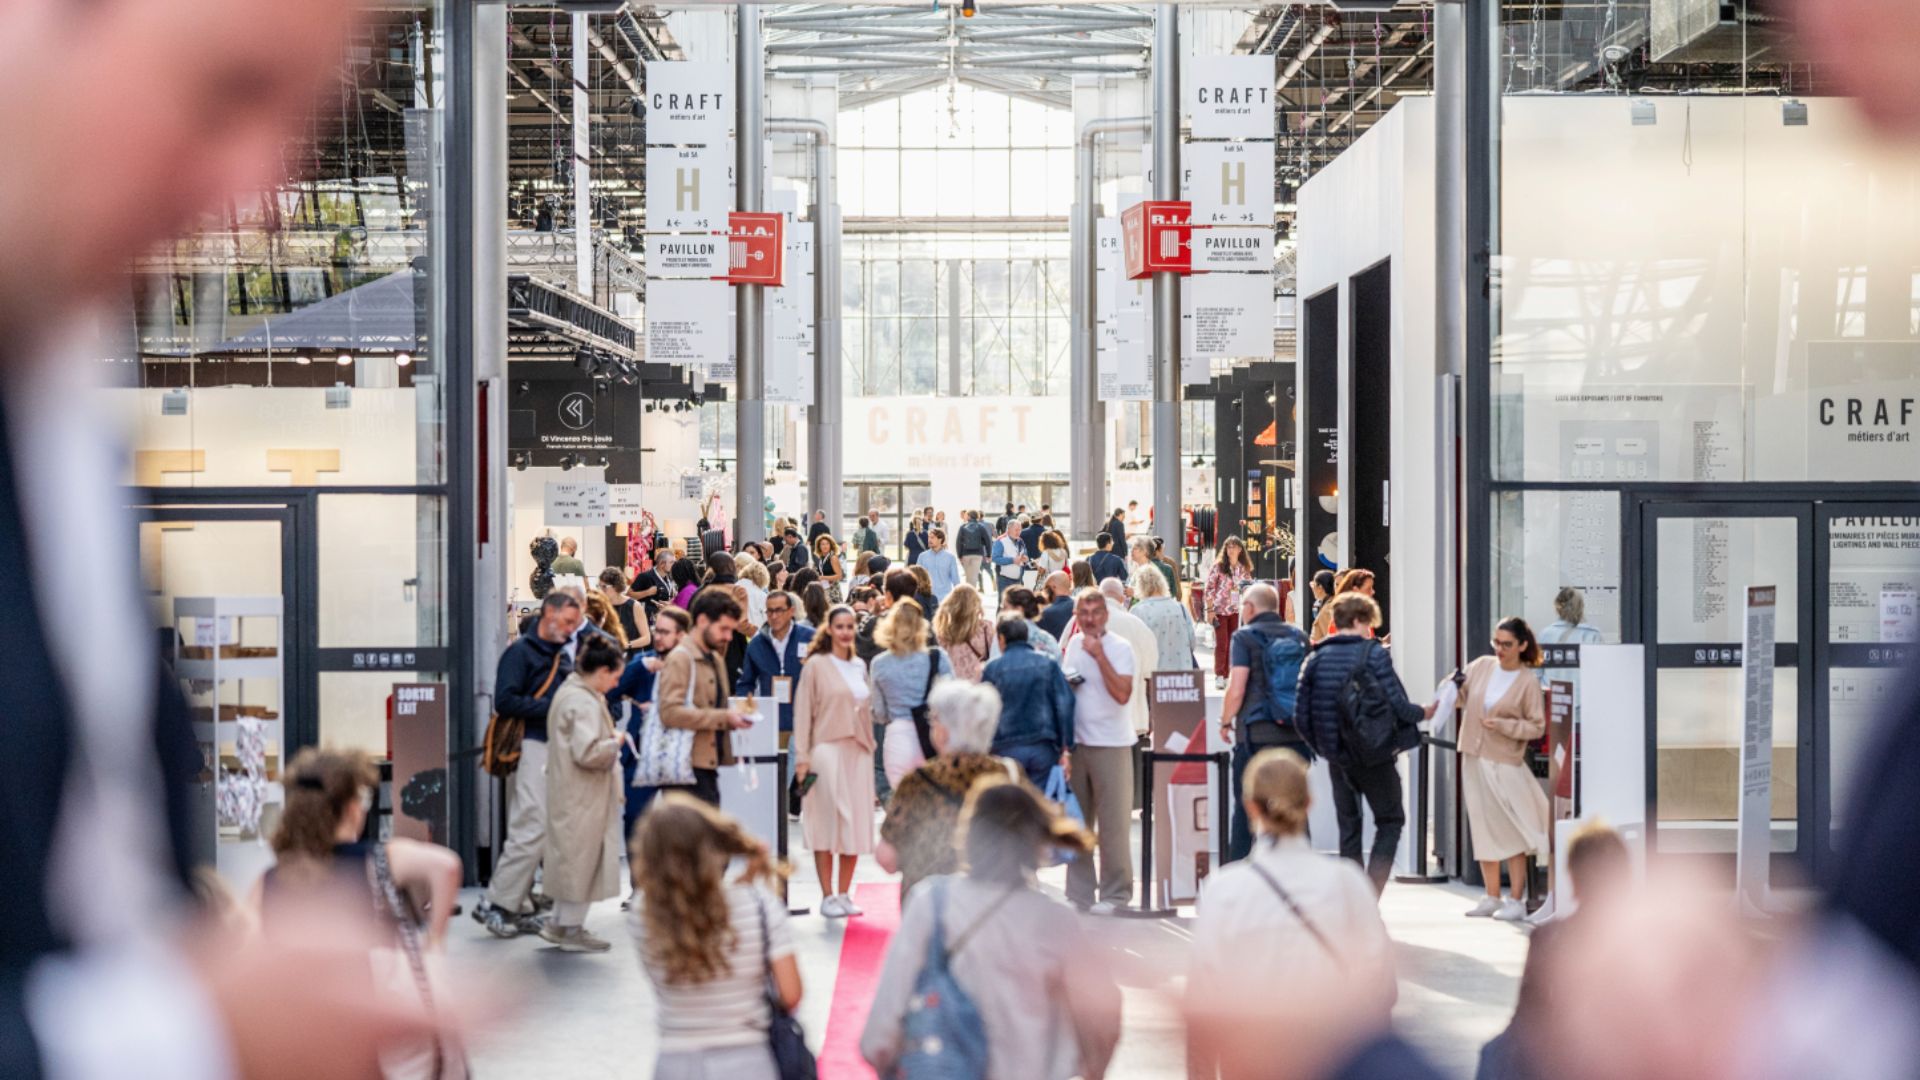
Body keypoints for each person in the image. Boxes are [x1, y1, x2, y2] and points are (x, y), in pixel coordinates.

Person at [860, 781, 1121, 1080]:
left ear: (968, 835)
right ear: (1036, 843)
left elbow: (881, 1027)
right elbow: (1104, 1013)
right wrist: (1090, 1069)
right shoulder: (1055, 921)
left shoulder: (932, 904)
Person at [1187, 749, 1397, 1080]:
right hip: (1333, 1058)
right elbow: (1381, 987)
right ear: (1309, 803)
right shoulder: (1348, 882)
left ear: (1250, 807)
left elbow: (1203, 998)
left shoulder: (1223, 889)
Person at [629, 794, 802, 1080]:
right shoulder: (757, 905)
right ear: (714, 849)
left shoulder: (643, 911)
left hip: (675, 1061)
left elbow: (697, 910)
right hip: (747, 1059)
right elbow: (791, 993)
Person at [1296, 592, 1433, 895]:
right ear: (1359, 620)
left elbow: (1301, 715)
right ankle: (1371, 893)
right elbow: (1397, 703)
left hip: (1338, 757)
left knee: (1349, 827)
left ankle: (1352, 898)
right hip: (1375, 754)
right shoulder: (1373, 655)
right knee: (1391, 819)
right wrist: (1423, 712)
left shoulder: (1315, 658)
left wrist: (1324, 747)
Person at [261, 748, 463, 951]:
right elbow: (446, 866)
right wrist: (434, 940)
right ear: (352, 809)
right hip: (364, 980)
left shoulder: (271, 878)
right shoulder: (377, 860)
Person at [1477, 821, 1630, 1080]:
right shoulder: (1645, 945)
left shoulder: (1550, 938)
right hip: (1620, 1058)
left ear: (1572, 878)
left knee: (1496, 1053)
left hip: (1562, 1058)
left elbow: (1527, 1015)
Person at [473, 591, 582, 938]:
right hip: (532, 746)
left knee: (540, 825)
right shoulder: (520, 653)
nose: (570, 630)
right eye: (566, 622)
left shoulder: (558, 654)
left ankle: (516, 903)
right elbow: (505, 701)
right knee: (531, 824)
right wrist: (556, 709)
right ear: (548, 614)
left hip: (552, 748)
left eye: (573, 624)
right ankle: (498, 902)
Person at [1442, 617, 1551, 921]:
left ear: (1522, 646)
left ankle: (1516, 899)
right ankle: (1491, 895)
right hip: (1474, 756)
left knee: (1513, 829)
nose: (1500, 649)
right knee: (1482, 825)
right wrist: (1449, 686)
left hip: (1505, 761)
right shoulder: (1482, 666)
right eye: (1497, 642)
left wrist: (1504, 725)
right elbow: (1459, 698)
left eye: (1507, 644)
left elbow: (1537, 726)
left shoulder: (1528, 681)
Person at [877, 680, 1015, 896]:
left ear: (944, 730)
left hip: (930, 905)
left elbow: (887, 859)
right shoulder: (1007, 774)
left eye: (933, 719)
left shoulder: (918, 781)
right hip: (993, 906)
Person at [540, 635, 627, 952]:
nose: (616, 682)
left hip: (570, 789)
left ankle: (559, 924)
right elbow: (588, 751)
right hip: (583, 792)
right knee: (582, 860)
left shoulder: (571, 692)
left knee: (571, 859)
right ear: (602, 671)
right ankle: (571, 928)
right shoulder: (584, 702)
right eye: (615, 675)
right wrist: (615, 742)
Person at [1218, 583, 1315, 863]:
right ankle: (1302, 868)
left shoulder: (1244, 637)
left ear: (1249, 608)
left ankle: (1236, 870)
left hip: (1255, 734)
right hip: (1295, 733)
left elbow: (1237, 687)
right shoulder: (1299, 636)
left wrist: (1225, 722)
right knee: (1297, 805)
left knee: (1246, 806)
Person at [792, 605, 878, 918]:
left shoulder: (858, 666)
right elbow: (804, 713)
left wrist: (871, 749)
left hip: (858, 753)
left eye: (849, 626)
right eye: (839, 626)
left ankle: (844, 893)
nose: (845, 631)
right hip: (825, 751)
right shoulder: (816, 665)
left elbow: (867, 713)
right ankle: (827, 895)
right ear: (829, 629)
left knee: (855, 824)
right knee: (826, 821)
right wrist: (802, 759)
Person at [1062, 588, 1139, 913]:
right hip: (1079, 744)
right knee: (1078, 825)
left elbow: (1123, 693)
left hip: (1113, 744)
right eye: (1084, 613)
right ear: (1076, 616)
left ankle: (1115, 894)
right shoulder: (1074, 646)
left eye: (1096, 612)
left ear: (1106, 615)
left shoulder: (1120, 648)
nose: (1090, 619)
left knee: (1114, 825)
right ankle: (1079, 893)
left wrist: (1099, 656)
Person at [656, 586, 758, 806]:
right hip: (683, 771)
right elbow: (670, 713)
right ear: (702, 621)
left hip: (706, 767)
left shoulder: (714, 658)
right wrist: (723, 718)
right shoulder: (681, 659)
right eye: (723, 629)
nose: (729, 637)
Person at [870, 596, 954, 789]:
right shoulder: (937, 657)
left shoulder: (880, 664)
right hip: (933, 735)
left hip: (898, 736)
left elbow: (879, 712)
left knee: (903, 802)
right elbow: (952, 698)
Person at [619, 604, 688, 839]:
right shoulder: (642, 662)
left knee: (681, 827)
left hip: (679, 755)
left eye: (665, 632)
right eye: (656, 631)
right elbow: (611, 691)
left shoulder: (694, 665)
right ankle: (640, 875)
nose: (658, 637)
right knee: (635, 821)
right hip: (641, 754)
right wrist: (638, 668)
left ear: (681, 635)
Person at [983, 616, 1077, 787]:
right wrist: (1066, 745)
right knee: (1040, 804)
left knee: (1012, 804)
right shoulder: (1047, 664)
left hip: (1006, 746)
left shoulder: (993, 669)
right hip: (1042, 744)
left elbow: (984, 710)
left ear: (1002, 639)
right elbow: (1065, 703)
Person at [1068, 578, 1160, 737]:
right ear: (1123, 598)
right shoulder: (1139, 626)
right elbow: (1150, 676)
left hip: (1086, 723)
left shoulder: (1078, 625)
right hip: (1131, 721)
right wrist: (1152, 715)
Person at [736, 588, 815, 740]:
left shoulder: (809, 638)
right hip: (769, 721)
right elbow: (746, 682)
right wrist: (745, 711)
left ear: (791, 611)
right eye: (770, 611)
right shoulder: (756, 645)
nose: (774, 616)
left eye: (779, 610)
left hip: (804, 718)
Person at [1207, 537, 1257, 688]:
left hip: (1236, 610)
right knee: (1221, 643)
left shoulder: (1244, 568)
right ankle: (1219, 674)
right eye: (1228, 547)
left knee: (1233, 643)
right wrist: (1209, 610)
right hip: (1220, 610)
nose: (1231, 550)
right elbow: (1209, 588)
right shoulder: (1218, 566)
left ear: (1240, 550)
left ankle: (1228, 674)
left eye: (1234, 547)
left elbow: (1249, 588)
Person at [1130, 563, 1198, 672]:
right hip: (1183, 675)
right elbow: (1192, 641)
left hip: (1153, 675)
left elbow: (1134, 647)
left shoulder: (1138, 610)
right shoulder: (1180, 607)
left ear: (1140, 585)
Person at [932, 583, 995, 683]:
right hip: (980, 684)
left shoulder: (944, 630)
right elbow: (994, 656)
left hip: (953, 684)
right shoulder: (986, 628)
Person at [989, 585, 1064, 662]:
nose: (1002, 612)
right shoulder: (1048, 639)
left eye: (1004, 607)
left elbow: (994, 664)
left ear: (1018, 610)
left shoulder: (1003, 636)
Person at [1312, 568, 1375, 643]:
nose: (1339, 588)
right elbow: (1334, 643)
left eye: (1341, 584)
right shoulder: (1333, 609)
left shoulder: (1359, 611)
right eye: (1336, 584)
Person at [915, 526, 963, 605]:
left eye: (932, 537)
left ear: (940, 539)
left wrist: (959, 598)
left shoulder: (950, 557)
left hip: (945, 599)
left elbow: (956, 580)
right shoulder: (922, 556)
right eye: (929, 537)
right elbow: (917, 577)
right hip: (926, 598)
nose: (929, 540)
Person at [955, 510, 993, 593]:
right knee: (974, 577)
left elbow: (958, 542)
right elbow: (988, 541)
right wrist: (989, 555)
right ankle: (971, 595)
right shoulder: (981, 527)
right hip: (978, 554)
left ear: (969, 516)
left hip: (965, 554)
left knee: (968, 577)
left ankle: (969, 595)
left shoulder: (963, 527)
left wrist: (959, 555)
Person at [992, 515, 1030, 595]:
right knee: (1004, 603)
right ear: (1008, 529)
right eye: (1016, 530)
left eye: (1020, 530)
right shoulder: (1001, 541)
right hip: (1004, 579)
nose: (1018, 532)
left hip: (1018, 578)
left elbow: (1025, 554)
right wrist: (1012, 560)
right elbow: (995, 558)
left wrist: (1025, 558)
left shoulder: (1021, 541)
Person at [1037, 570, 1076, 640]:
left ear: (1053, 587)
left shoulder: (1046, 613)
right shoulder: (1080, 606)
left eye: (1046, 588)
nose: (1044, 592)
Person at [813, 532, 845, 599]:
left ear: (831, 545)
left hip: (833, 590)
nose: (825, 546)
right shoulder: (821, 558)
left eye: (827, 544)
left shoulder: (833, 558)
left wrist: (823, 577)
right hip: (824, 588)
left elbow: (839, 576)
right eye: (823, 544)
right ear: (819, 546)